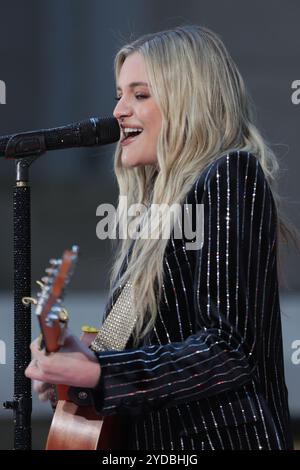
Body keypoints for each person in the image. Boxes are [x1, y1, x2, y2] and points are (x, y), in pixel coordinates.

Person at [25, 25, 298, 450]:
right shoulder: (153, 208)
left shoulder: (229, 174)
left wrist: (102, 374)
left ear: (189, 101)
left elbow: (229, 348)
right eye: (119, 94)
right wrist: (90, 360)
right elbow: (164, 343)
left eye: (140, 94)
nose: (118, 110)